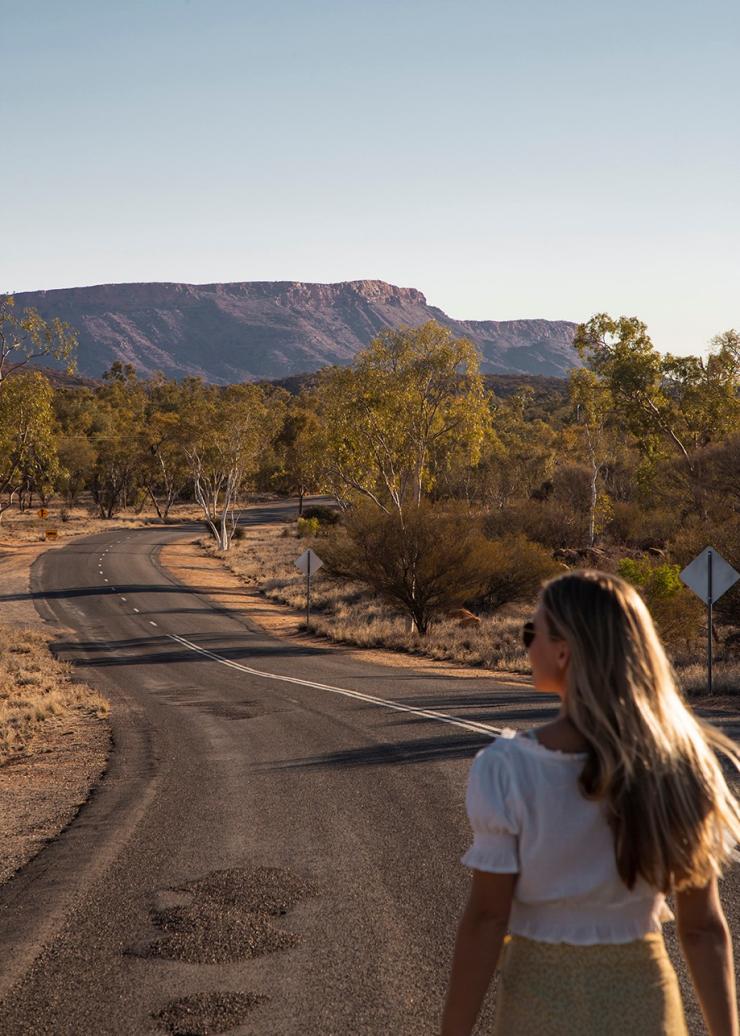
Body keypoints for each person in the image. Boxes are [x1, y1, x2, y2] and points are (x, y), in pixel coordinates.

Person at [441, 569, 740, 1036]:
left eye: (531, 631)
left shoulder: (507, 769)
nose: (527, 644)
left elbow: (486, 917)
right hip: (646, 1008)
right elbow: (702, 929)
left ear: (563, 651)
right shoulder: (682, 765)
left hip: (538, 1011)